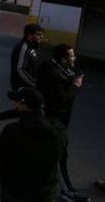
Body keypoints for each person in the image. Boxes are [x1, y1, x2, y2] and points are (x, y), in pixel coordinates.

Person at [0, 87, 66, 202]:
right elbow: (59, 159)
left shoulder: (12, 131)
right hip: (46, 192)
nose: (15, 106)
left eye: (17, 102)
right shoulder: (57, 131)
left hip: (16, 192)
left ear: (24, 106)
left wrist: (9, 181)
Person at [37, 44, 90, 202]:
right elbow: (62, 99)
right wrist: (75, 86)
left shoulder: (58, 69)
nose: (74, 58)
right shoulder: (54, 74)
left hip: (54, 121)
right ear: (62, 59)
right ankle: (66, 192)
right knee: (59, 155)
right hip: (55, 122)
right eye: (71, 56)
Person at [0, 23, 44, 132]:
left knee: (23, 110)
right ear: (29, 35)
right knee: (26, 109)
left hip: (28, 84)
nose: (41, 37)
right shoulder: (23, 48)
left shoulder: (32, 47)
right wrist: (33, 83)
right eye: (39, 35)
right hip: (23, 84)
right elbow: (20, 69)